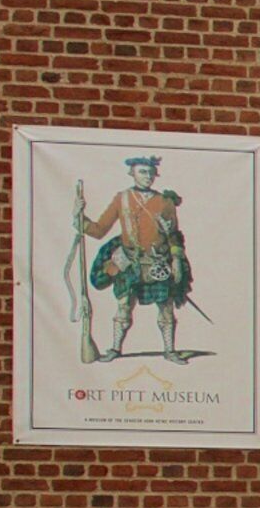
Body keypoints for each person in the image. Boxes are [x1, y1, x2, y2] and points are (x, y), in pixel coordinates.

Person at [76, 156, 199, 364]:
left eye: (150, 172)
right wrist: (79, 217)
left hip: (158, 263)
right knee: (123, 306)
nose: (147, 176)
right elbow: (99, 230)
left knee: (166, 308)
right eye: (142, 171)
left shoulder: (165, 201)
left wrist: (176, 260)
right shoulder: (121, 199)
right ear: (131, 173)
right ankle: (115, 349)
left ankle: (169, 351)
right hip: (129, 261)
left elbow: (174, 236)